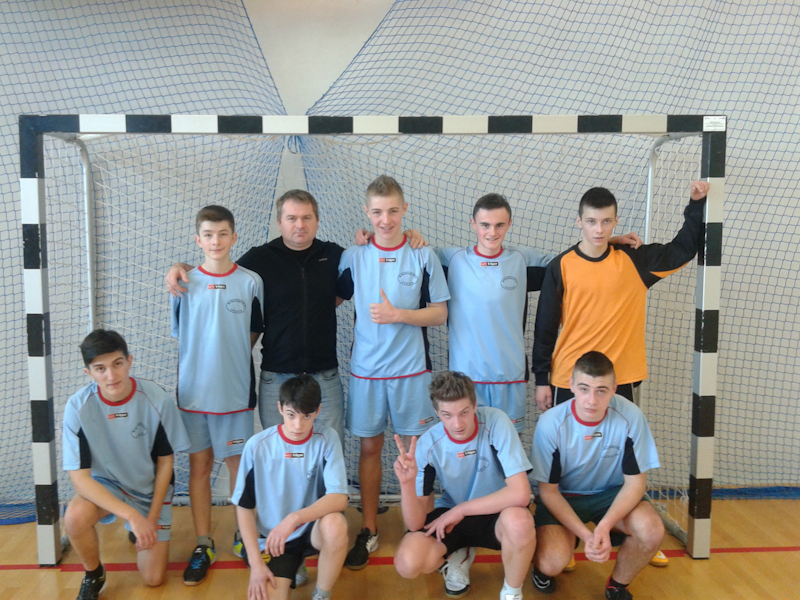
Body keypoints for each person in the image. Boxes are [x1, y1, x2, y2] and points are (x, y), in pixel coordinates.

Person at [531, 180, 708, 568]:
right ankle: (568, 534)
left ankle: (630, 531)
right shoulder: (561, 265)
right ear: (579, 222)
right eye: (592, 221)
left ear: (615, 222)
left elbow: (684, 248)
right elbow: (544, 327)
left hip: (621, 378)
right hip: (569, 380)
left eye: (606, 222)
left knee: (617, 461)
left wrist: (695, 205)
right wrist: (541, 379)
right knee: (571, 462)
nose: (599, 229)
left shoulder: (635, 260)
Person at [337, 175, 450, 570]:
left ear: (404, 210)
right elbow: (328, 297)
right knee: (369, 449)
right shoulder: (353, 256)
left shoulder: (423, 254)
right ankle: (368, 529)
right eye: (377, 212)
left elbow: (440, 313)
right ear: (366, 213)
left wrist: (398, 315)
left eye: (392, 211)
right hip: (366, 373)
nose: (385, 220)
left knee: (417, 454)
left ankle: (417, 528)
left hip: (411, 373)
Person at [171, 205, 264, 586]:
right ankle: (203, 543)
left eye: (223, 233)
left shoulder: (251, 282)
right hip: (194, 394)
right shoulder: (183, 283)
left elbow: (255, 330)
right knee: (200, 466)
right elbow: (183, 335)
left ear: (234, 237)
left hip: (235, 394)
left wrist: (231, 356)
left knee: (238, 467)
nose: (216, 241)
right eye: (208, 235)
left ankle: (245, 537)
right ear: (198, 240)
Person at [62, 329, 190, 600]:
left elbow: (166, 463)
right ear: (88, 373)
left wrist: (149, 520)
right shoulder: (77, 407)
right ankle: (93, 573)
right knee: (74, 517)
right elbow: (80, 480)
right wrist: (132, 516)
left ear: (129, 360)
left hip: (148, 490)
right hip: (107, 486)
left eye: (117, 363)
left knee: (153, 579)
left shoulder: (157, 400)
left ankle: (137, 529)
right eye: (100, 368)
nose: (111, 375)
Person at [529, 352, 664, 599]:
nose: (591, 400)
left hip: (611, 496)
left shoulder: (631, 416)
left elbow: (635, 484)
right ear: (571, 385)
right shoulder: (550, 424)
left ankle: (617, 585)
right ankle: (557, 549)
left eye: (601, 391)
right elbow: (548, 492)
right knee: (552, 562)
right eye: (584, 389)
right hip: (564, 497)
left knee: (651, 530)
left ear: (614, 389)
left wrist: (604, 527)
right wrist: (586, 535)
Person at [392, 371, 536, 600]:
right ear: (437, 412)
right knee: (407, 563)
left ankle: (512, 591)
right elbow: (415, 523)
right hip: (452, 517)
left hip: (498, 513)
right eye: (447, 415)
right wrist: (407, 484)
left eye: (464, 412)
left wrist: (461, 510)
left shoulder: (497, 422)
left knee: (519, 523)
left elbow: (521, 494)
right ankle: (459, 555)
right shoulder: (427, 444)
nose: (457, 424)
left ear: (475, 405)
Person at [232, 374, 349, 600]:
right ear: (280, 408)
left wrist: (294, 518)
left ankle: (322, 594)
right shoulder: (257, 446)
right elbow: (244, 507)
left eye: (306, 416)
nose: (298, 425)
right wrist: (256, 565)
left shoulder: (327, 438)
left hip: (311, 529)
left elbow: (339, 498)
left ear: (318, 411)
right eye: (291, 415)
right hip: (275, 539)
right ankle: (294, 566)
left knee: (336, 524)